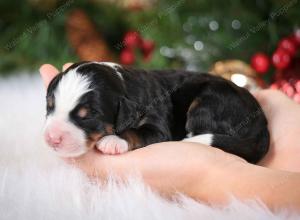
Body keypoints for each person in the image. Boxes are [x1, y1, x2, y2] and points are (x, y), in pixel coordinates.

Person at [40, 63, 300, 211]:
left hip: (225, 106)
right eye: (52, 107)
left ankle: (209, 138)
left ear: (123, 111)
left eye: (84, 117)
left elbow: (157, 133)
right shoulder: (118, 98)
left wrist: (128, 138)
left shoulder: (136, 103)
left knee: (204, 101)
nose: (53, 133)